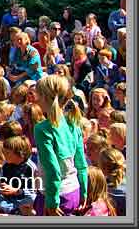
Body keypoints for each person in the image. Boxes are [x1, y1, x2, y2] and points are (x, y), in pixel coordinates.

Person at [33, 75, 87, 215]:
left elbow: (52, 169)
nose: (36, 99)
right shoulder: (74, 124)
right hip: (74, 191)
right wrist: (84, 192)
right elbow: (81, 164)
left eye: (38, 94)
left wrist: (52, 201)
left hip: (55, 196)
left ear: (45, 97)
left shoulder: (42, 129)